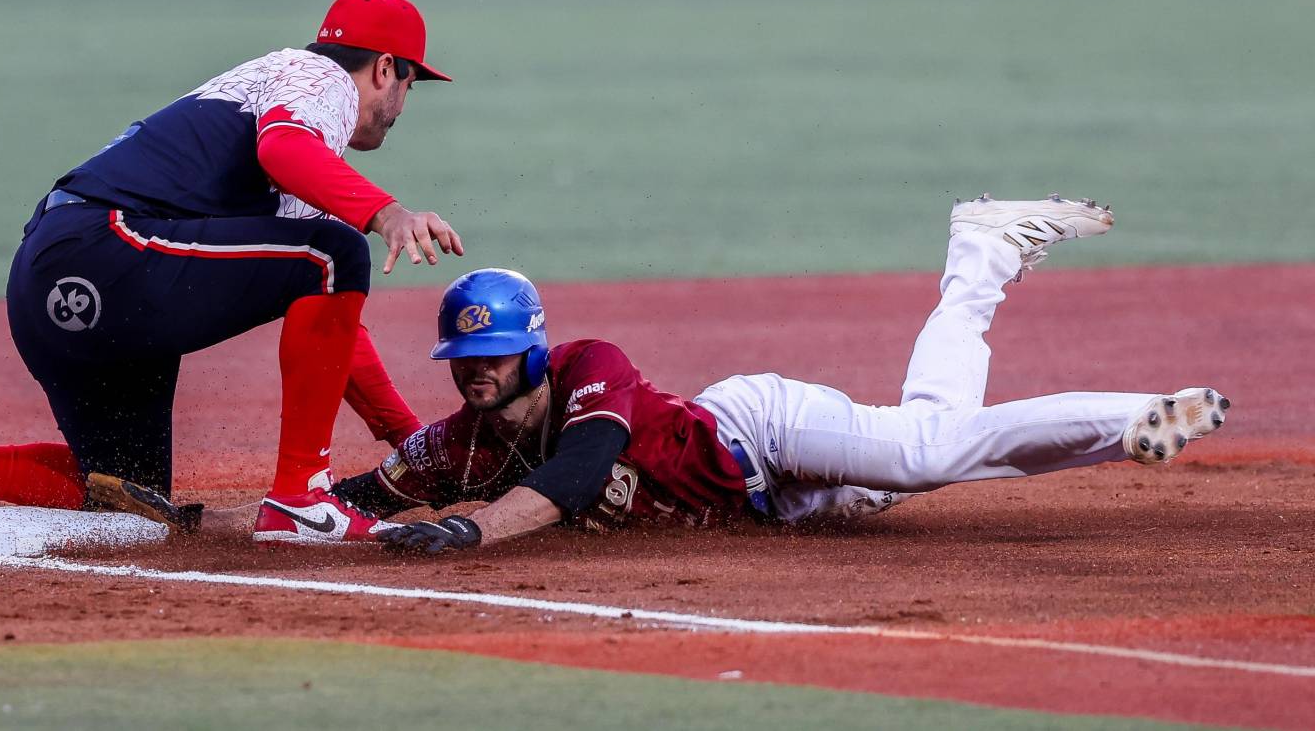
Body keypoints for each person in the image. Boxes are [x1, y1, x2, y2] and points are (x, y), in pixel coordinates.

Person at [0, 0, 461, 546]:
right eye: (410, 82)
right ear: (385, 69)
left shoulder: (291, 135)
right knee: (338, 247)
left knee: (125, 497)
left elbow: (330, 314)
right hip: (105, 248)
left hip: (53, 277)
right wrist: (385, 213)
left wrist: (410, 440)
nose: (404, 100)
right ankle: (301, 496)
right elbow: (288, 154)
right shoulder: (313, 79)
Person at [334, 196, 1230, 554]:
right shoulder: (455, 443)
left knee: (924, 451)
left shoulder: (587, 367)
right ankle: (984, 248)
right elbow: (356, 494)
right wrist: (200, 521)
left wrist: (473, 532)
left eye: (490, 356)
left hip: (757, 430)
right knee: (936, 432)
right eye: (462, 360)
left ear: (531, 347)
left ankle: (1133, 418)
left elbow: (573, 476)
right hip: (769, 506)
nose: (475, 373)